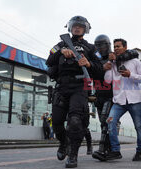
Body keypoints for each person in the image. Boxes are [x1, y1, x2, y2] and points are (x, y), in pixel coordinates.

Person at [46, 15, 102, 168]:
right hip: (61, 87)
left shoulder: (91, 48)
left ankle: (73, 156)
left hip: (79, 87)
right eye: (74, 25)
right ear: (70, 28)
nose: (77, 28)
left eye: (80, 26)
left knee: (75, 121)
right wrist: (61, 51)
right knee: (57, 123)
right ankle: (64, 143)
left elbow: (101, 70)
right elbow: (49, 61)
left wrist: (89, 64)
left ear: (85, 29)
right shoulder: (60, 44)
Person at [92, 35, 139, 161]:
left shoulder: (115, 56)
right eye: (97, 45)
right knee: (104, 123)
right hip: (99, 95)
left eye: (102, 44)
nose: (100, 48)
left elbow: (133, 53)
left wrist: (117, 57)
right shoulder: (95, 58)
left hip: (111, 95)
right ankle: (109, 149)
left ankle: (106, 149)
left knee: (106, 122)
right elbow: (90, 71)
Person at [103, 38, 141, 161]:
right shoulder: (113, 63)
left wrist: (130, 75)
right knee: (110, 121)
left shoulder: (135, 61)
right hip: (119, 101)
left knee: (139, 127)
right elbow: (107, 81)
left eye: (118, 46)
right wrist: (109, 65)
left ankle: (140, 152)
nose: (116, 48)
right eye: (114, 47)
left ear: (125, 47)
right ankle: (116, 151)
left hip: (135, 100)